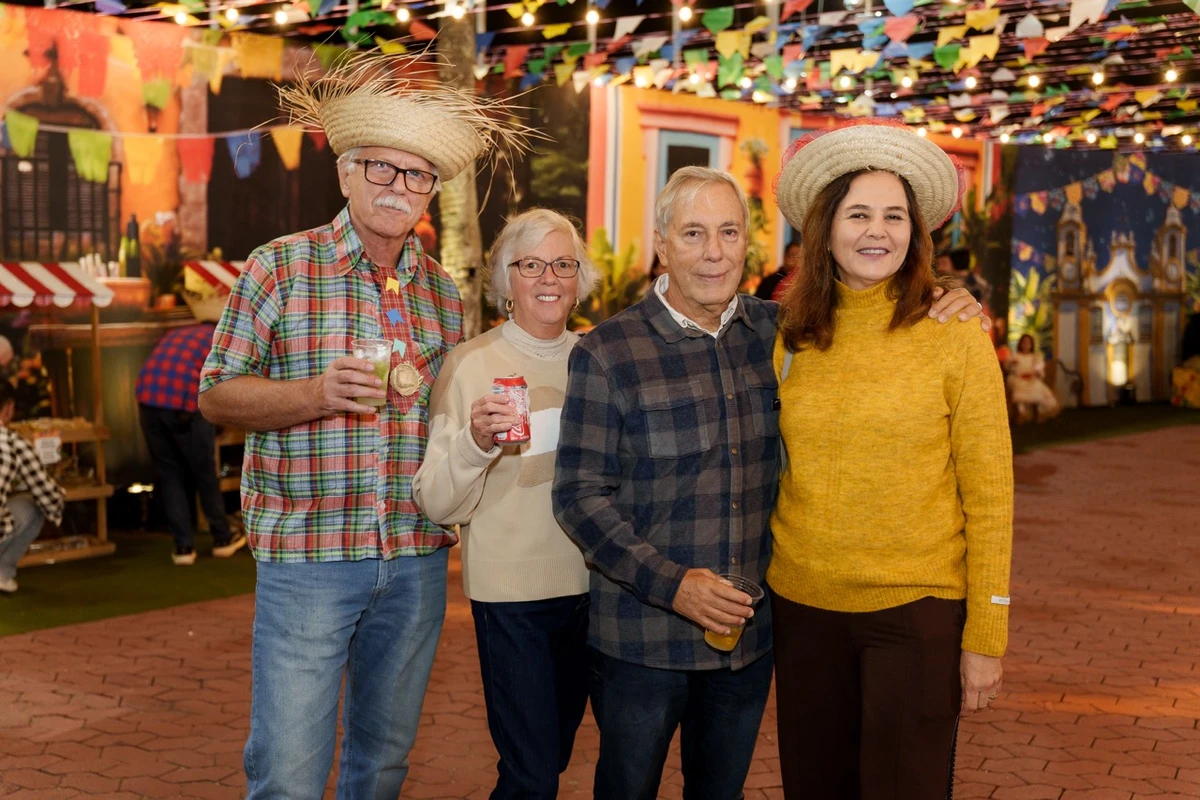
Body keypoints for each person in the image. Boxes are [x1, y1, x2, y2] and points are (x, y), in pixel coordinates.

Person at [553, 165, 987, 800]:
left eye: (729, 232)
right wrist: (673, 586)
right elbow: (579, 497)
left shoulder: (783, 331)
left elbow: (871, 304)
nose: (714, 251)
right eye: (694, 233)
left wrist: (948, 295)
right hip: (642, 640)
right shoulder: (608, 352)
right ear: (662, 244)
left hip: (746, 645)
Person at [197, 52, 531, 800]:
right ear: (345, 172)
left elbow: (447, 421)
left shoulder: (444, 294)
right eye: (381, 168)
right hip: (310, 554)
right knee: (287, 774)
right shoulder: (280, 267)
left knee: (380, 768)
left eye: (416, 176)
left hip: (414, 558)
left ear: (430, 191)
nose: (397, 187)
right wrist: (316, 392)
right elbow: (217, 395)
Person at [769, 120, 1014, 798]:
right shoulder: (790, 332)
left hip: (917, 613)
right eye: (858, 214)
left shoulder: (953, 333)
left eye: (894, 216)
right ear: (826, 228)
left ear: (915, 231)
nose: (876, 231)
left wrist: (986, 633)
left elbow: (990, 495)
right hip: (803, 609)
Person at [413, 208, 600, 799]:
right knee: (532, 772)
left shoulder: (600, 360)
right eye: (530, 265)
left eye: (562, 264)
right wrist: (475, 442)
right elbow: (436, 502)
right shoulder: (470, 364)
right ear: (505, 280)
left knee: (554, 752)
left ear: (579, 280)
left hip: (594, 590)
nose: (548, 277)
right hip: (511, 596)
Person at [135, 290, 245, 565]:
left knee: (170, 474)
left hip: (147, 400)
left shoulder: (178, 333)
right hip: (183, 403)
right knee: (204, 473)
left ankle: (183, 548)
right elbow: (220, 382)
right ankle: (222, 537)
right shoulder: (221, 339)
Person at [0, 380, 64, 593]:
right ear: (8, 407)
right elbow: (46, 493)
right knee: (33, 505)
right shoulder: (13, 442)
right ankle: (2, 573)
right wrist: (60, 498)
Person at [1007, 333, 1060, 423]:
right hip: (1019, 379)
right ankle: (1021, 413)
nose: (1026, 345)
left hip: (1031, 379)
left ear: (1031, 345)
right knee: (1019, 388)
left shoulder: (1035, 357)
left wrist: (1037, 372)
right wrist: (1012, 364)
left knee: (1037, 387)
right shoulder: (1015, 356)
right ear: (1020, 344)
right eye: (1024, 343)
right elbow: (1008, 367)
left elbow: (1039, 370)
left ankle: (1039, 412)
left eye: (1028, 343)